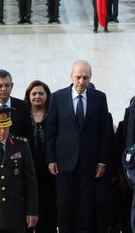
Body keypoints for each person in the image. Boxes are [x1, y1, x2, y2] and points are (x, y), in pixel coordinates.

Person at [45, 60, 113, 233]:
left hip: (89, 164)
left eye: (86, 77)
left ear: (90, 78)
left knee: (85, 209)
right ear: (71, 76)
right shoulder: (58, 97)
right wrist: (51, 159)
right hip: (63, 164)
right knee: (65, 207)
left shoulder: (99, 98)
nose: (82, 81)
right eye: (78, 77)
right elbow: (51, 131)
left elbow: (105, 132)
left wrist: (102, 162)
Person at [24, 80, 57, 233]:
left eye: (41, 93)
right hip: (27, 171)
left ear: (47, 96)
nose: (37, 96)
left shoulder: (54, 114)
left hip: (49, 171)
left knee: (47, 210)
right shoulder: (22, 115)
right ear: (28, 96)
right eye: (34, 93)